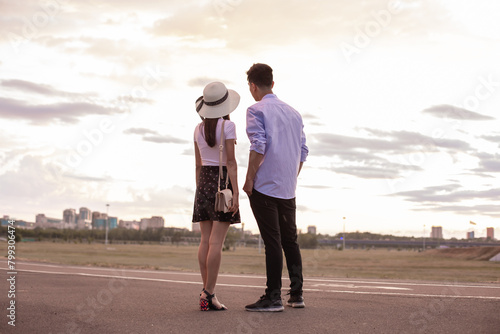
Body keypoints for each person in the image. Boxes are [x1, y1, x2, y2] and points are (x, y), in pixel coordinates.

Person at [243, 63, 308, 312]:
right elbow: (303, 150)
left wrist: (250, 179)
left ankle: (273, 297)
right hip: (287, 188)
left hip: (265, 187)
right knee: (290, 241)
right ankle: (297, 294)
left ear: (252, 86)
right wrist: (291, 175)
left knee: (273, 242)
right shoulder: (294, 113)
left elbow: (258, 145)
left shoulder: (255, 110)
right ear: (273, 83)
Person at [192, 81, 241, 311]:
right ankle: (209, 292)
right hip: (222, 184)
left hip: (203, 184)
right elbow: (230, 162)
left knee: (205, 241)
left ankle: (206, 291)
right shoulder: (228, 128)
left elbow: (198, 165)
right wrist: (237, 193)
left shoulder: (197, 129)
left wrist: (200, 190)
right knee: (216, 243)